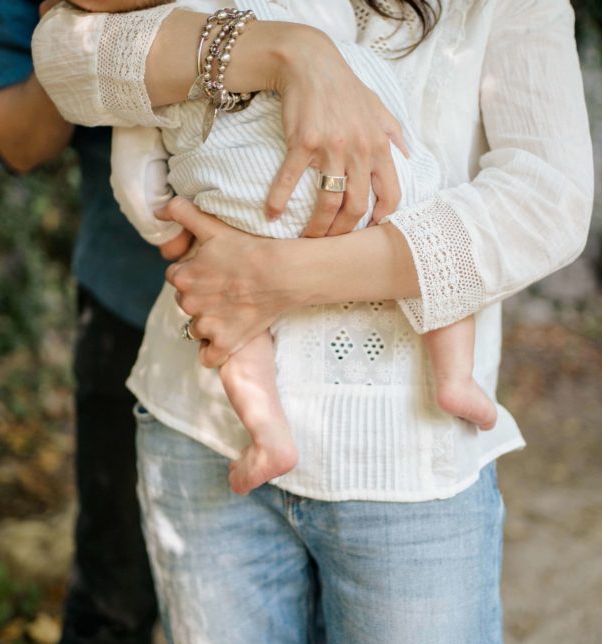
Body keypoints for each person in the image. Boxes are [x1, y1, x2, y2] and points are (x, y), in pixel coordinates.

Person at [34, 0, 593, 644]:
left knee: (431, 240)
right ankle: (322, 410)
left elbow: (547, 200)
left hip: (410, 450)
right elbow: (66, 60)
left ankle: (453, 376)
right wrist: (285, 51)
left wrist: (275, 277)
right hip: (205, 426)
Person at [105, 0, 497, 495]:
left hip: (250, 203)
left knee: (236, 323)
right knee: (432, 246)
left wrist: (166, 233)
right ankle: (455, 378)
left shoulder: (162, 33)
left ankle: (269, 434)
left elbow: (134, 175)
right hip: (372, 168)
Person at [0, 2, 164, 644]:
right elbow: (13, 137)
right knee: (114, 607)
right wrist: (81, 41)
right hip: (135, 302)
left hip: (328, 306)